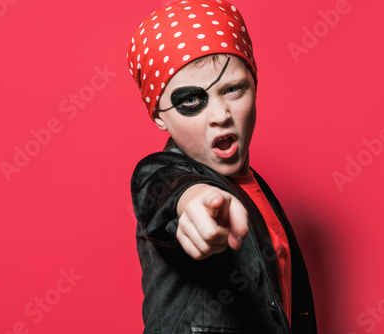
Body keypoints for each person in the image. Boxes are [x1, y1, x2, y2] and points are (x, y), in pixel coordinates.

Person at [128, 1, 317, 333]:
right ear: (159, 114)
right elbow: (168, 191)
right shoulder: (160, 173)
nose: (220, 115)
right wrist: (195, 203)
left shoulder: (255, 187)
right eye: (191, 100)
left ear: (254, 85)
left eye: (233, 89)